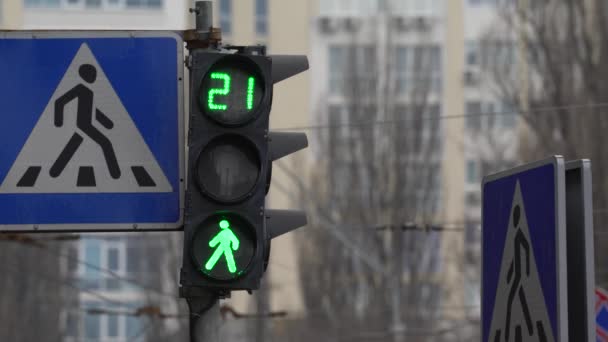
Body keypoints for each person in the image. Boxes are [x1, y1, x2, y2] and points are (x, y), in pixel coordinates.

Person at [50, 64, 120, 179]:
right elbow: (60, 102)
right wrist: (59, 121)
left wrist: (107, 123)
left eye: (95, 74)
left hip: (85, 125)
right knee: (106, 143)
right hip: (83, 125)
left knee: (71, 147)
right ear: (85, 76)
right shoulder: (80, 89)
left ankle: (54, 172)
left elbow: (92, 110)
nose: (95, 77)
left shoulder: (89, 91)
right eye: (92, 74)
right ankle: (116, 174)